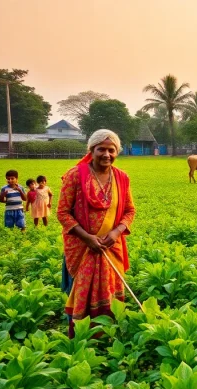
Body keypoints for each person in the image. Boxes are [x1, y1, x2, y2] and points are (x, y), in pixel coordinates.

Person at [57, 129, 136, 338]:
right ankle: (82, 336)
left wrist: (117, 232)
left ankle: (108, 335)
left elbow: (130, 211)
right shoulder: (75, 175)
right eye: (101, 149)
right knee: (81, 292)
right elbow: (63, 212)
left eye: (112, 150)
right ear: (91, 150)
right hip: (83, 248)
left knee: (110, 293)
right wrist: (87, 237)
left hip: (111, 247)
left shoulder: (122, 178)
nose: (106, 154)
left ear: (117, 152)